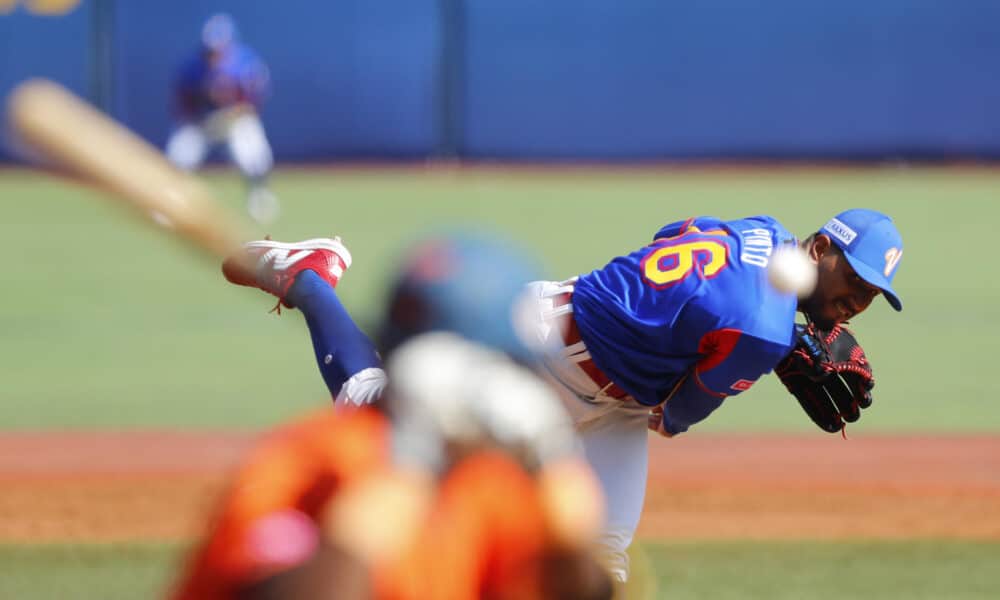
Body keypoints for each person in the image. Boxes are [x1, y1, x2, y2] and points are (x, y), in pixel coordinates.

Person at [221, 208, 901, 584]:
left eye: (871, 295)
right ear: (819, 247)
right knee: (371, 415)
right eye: (855, 281)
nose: (856, 303)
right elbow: (676, 416)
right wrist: (763, 345)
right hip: (538, 354)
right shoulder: (759, 330)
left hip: (611, 396)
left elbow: (671, 233)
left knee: (601, 564)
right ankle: (310, 278)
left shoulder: (755, 229)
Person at [171, 233, 612, 600]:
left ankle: (308, 279)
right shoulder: (315, 460)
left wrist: (557, 482)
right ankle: (307, 279)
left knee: (360, 386)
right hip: (372, 437)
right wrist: (405, 467)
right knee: (361, 389)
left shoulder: (503, 480)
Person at [166, 13, 279, 224]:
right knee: (179, 153)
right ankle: (170, 202)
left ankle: (259, 195)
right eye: (210, 51)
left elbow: (253, 103)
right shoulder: (192, 68)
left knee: (252, 153)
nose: (214, 55)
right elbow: (183, 104)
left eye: (219, 49)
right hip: (202, 121)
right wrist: (199, 119)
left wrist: (232, 114)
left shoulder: (246, 64)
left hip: (235, 120)